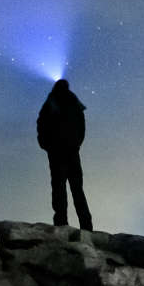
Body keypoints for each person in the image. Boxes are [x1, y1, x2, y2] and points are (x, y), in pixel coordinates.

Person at [36, 77, 92, 230]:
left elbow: (41, 124)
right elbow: (82, 128)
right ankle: (85, 225)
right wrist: (76, 144)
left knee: (59, 187)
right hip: (70, 151)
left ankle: (61, 222)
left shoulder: (51, 102)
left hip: (58, 151)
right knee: (76, 188)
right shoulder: (74, 103)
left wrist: (46, 145)